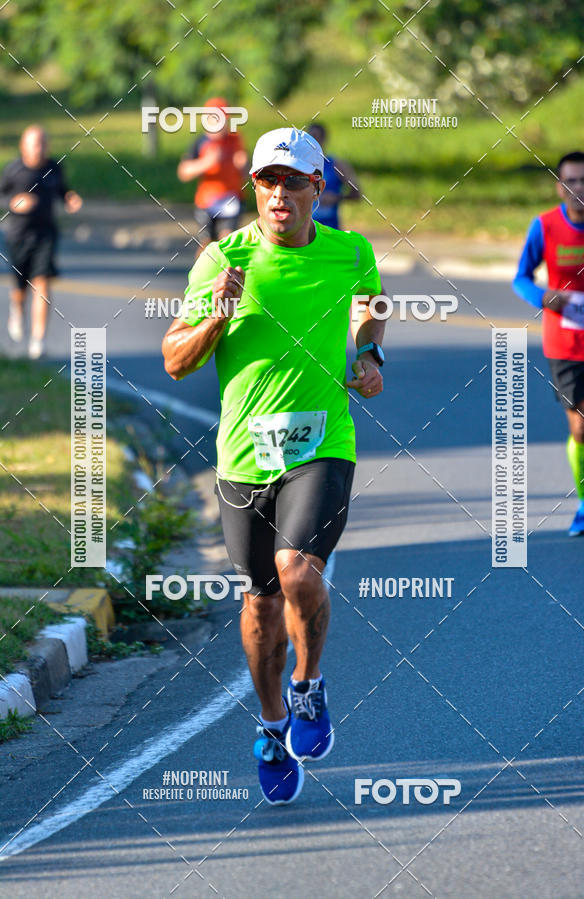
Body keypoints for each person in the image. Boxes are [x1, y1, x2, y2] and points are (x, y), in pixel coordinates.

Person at [162, 127, 386, 804]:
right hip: (241, 456)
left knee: (298, 570)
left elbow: (368, 307)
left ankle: (308, 682)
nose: (278, 194)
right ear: (252, 187)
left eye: (293, 182)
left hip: (323, 443)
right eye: (266, 180)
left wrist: (370, 354)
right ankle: (270, 723)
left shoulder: (351, 251)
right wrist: (216, 317)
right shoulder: (221, 259)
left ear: (318, 188)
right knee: (261, 601)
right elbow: (176, 359)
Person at [513, 150, 584, 536]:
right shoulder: (544, 226)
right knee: (582, 430)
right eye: (571, 181)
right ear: (559, 187)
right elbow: (521, 278)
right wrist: (541, 297)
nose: (578, 187)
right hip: (565, 344)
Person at [0, 125, 82, 358]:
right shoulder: (13, 170)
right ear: (23, 146)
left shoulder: (54, 168)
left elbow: (62, 191)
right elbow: (2, 195)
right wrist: (14, 202)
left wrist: (70, 199)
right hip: (18, 235)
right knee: (20, 288)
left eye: (43, 143)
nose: (40, 148)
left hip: (45, 234)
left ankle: (39, 338)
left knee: (42, 282)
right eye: (35, 143)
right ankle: (17, 309)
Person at [177, 97, 247, 258]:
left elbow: (243, 166)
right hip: (207, 202)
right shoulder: (201, 142)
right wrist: (206, 163)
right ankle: (202, 275)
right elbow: (184, 171)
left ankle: (226, 277)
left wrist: (242, 164)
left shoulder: (234, 139)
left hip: (231, 199)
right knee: (206, 243)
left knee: (227, 240)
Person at [306, 122, 360, 230]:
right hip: (306, 231)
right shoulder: (299, 165)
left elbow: (357, 194)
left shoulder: (337, 165)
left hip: (330, 229)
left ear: (324, 139)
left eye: (316, 138)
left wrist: (337, 198)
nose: (313, 143)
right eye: (310, 139)